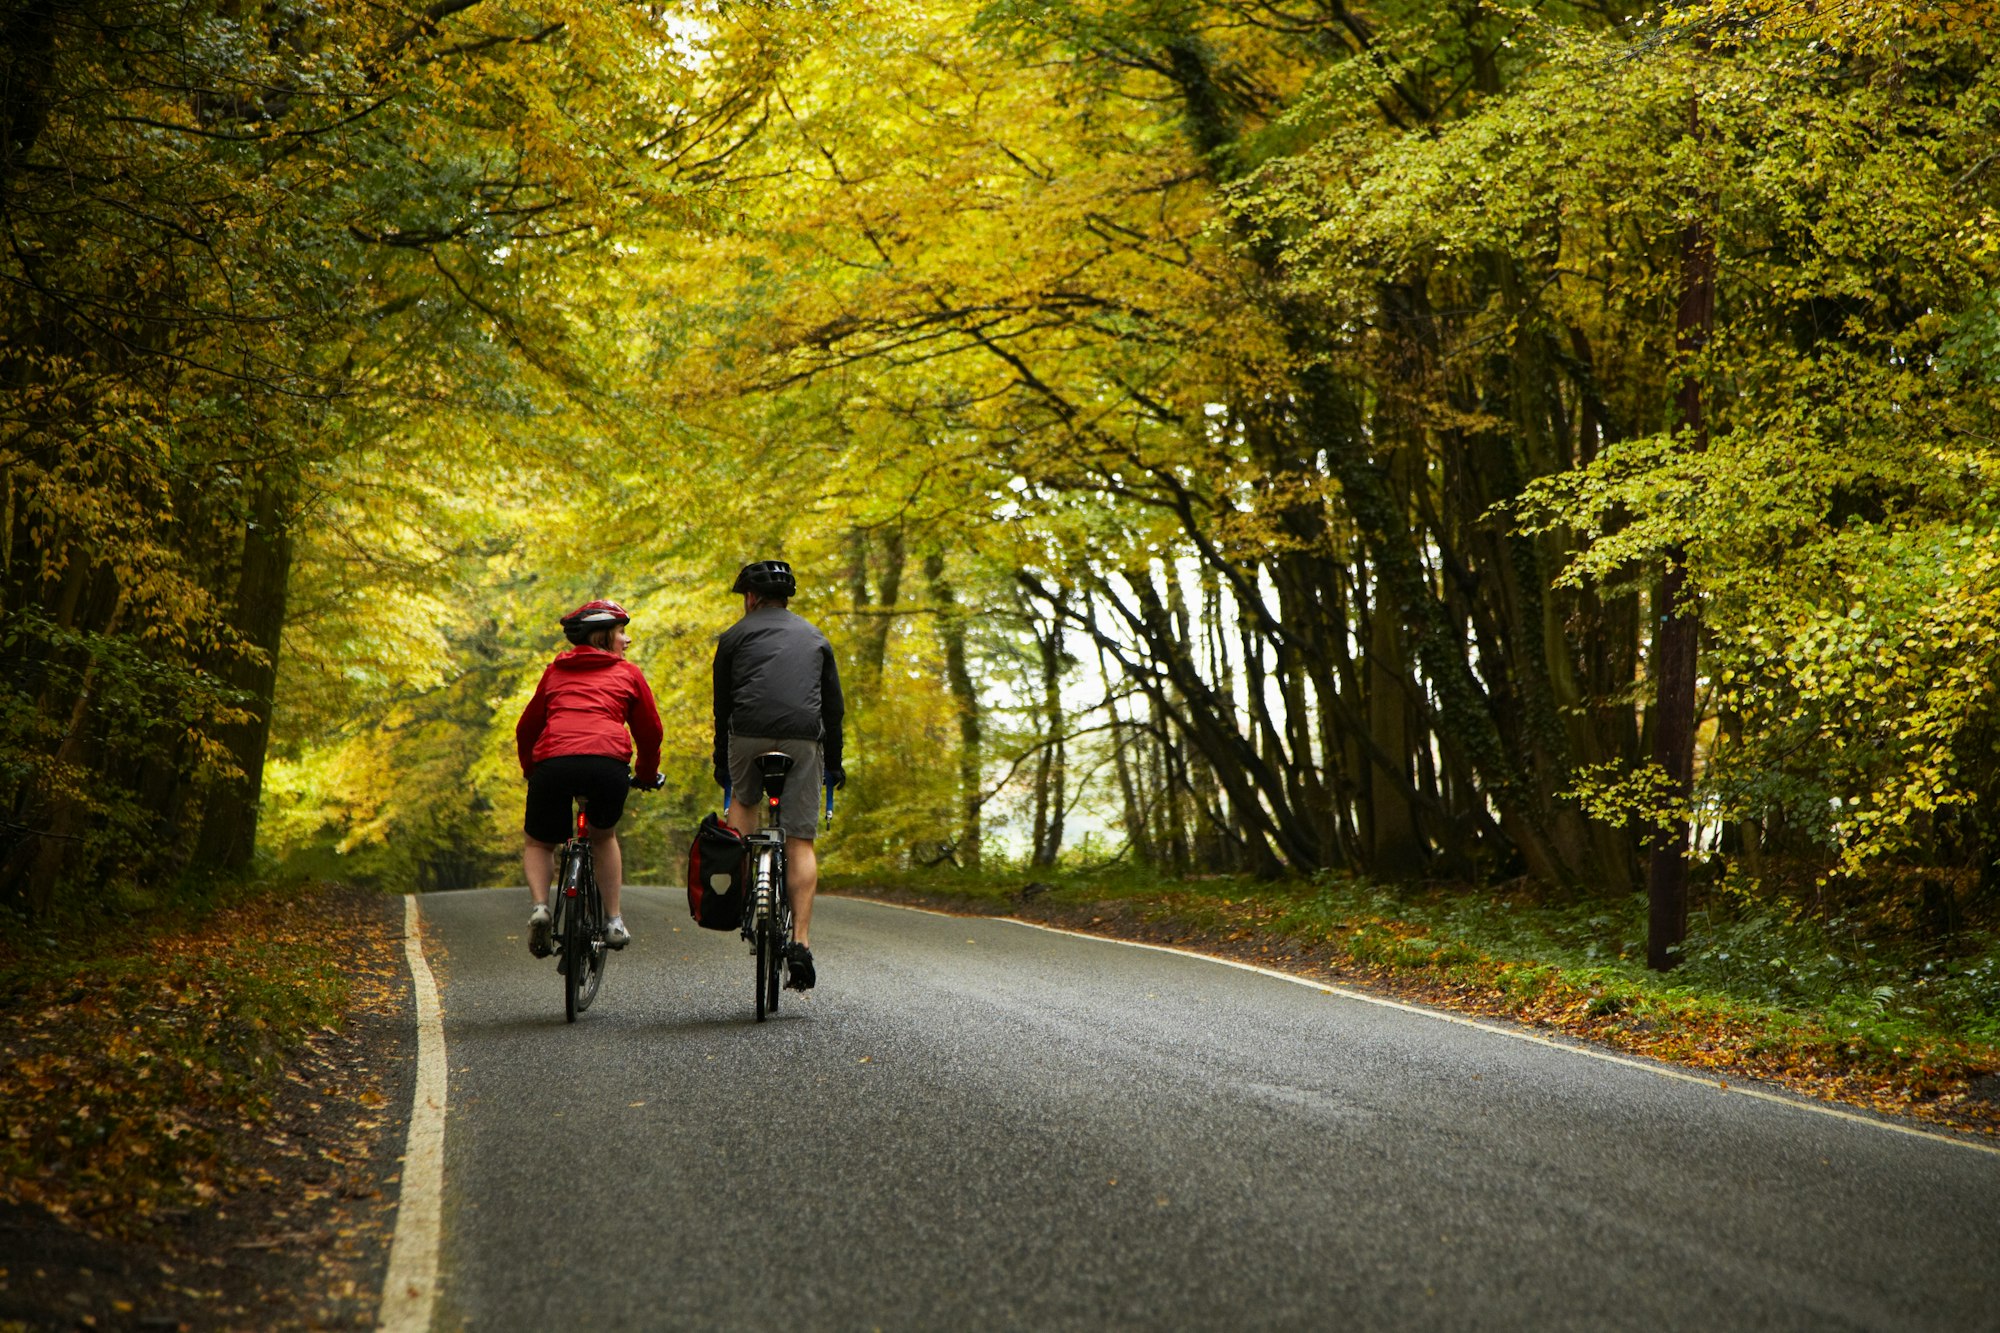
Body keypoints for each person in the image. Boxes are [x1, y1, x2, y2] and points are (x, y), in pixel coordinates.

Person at [713, 559, 845, 990]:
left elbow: (723, 707)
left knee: (744, 805)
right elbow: (833, 708)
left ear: (751, 597)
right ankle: (801, 944)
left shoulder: (733, 636)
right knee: (800, 838)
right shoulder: (815, 637)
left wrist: (722, 762)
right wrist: (833, 763)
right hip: (802, 739)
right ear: (786, 599)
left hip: (748, 735)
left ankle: (752, 890)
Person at [517, 599, 664, 956]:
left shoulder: (554, 673)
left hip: (554, 764)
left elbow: (527, 729)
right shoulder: (629, 674)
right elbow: (650, 733)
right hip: (607, 765)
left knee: (539, 842)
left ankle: (540, 907)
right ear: (603, 638)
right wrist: (645, 774)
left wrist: (531, 770)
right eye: (621, 633)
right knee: (603, 836)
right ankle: (613, 920)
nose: (626, 641)